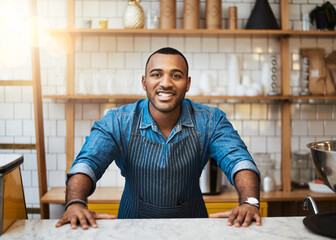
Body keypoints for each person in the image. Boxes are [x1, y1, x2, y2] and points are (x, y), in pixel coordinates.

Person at [56, 47, 261, 230]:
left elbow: (239, 160)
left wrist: (250, 202)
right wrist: (75, 203)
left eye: (176, 75)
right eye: (156, 74)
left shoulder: (210, 120)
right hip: (131, 228)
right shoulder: (118, 120)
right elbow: (88, 163)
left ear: (187, 84)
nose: (166, 83)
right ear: (144, 82)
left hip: (194, 229)